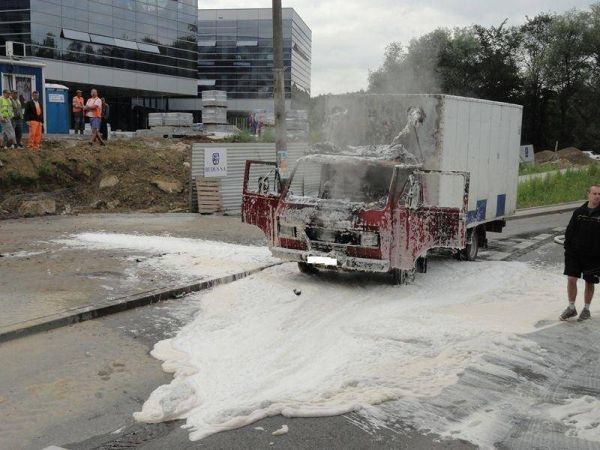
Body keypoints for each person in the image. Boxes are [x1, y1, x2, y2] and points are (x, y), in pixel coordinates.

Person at [560, 184, 600, 322]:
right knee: (571, 279)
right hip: (574, 253)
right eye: (594, 193)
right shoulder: (579, 212)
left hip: (594, 255)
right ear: (588, 194)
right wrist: (568, 248)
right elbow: (570, 231)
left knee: (589, 281)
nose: (597, 196)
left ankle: (586, 309)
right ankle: (571, 307)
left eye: (599, 194)